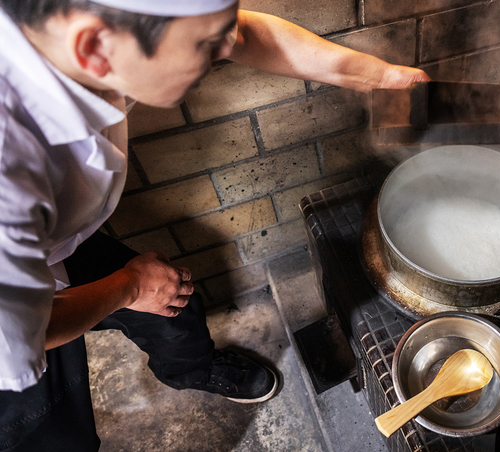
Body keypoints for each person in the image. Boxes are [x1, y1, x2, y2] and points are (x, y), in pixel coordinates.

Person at [0, 0, 430, 450]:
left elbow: (241, 35)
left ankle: (192, 370)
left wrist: (381, 78)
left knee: (174, 300)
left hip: (51, 241)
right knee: (57, 434)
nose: (223, 49)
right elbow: (25, 336)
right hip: (13, 350)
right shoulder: (12, 165)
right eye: (204, 45)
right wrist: (128, 287)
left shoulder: (81, 41)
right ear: (94, 47)